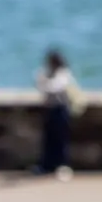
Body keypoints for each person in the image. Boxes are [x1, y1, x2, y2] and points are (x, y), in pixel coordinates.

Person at [33, 49, 82, 179]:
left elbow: (55, 86)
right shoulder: (45, 73)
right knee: (48, 140)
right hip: (49, 110)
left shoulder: (64, 74)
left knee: (61, 139)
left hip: (61, 110)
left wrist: (45, 84)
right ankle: (46, 166)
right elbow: (39, 84)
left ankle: (63, 166)